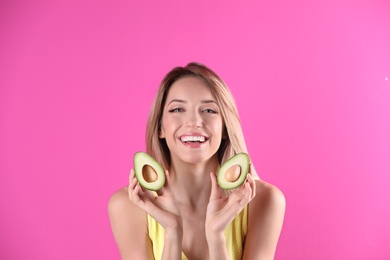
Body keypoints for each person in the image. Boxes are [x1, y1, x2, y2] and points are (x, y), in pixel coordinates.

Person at [108, 62, 286, 260]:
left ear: (226, 127)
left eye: (209, 110)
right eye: (177, 110)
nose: (194, 121)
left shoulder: (263, 201)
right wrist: (172, 232)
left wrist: (217, 237)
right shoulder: (129, 205)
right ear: (160, 127)